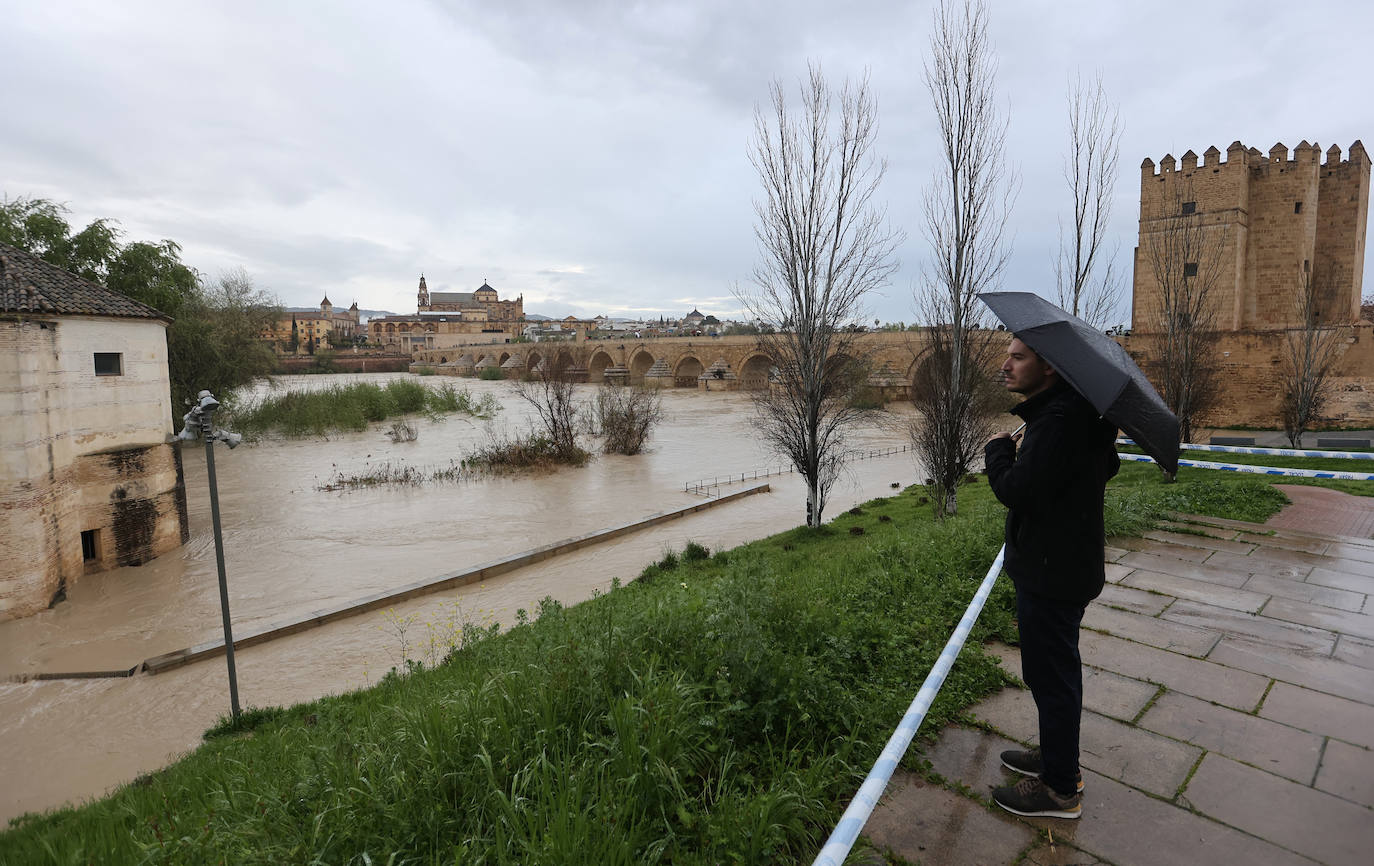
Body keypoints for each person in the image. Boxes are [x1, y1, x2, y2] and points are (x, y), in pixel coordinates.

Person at [983, 335, 1119, 819]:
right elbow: (1106, 468)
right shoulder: (1081, 416)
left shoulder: (1058, 422)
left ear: (1051, 368)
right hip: (1067, 566)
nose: (1005, 365)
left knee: (1053, 677)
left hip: (1051, 572)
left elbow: (1017, 491)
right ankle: (1056, 754)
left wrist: (998, 452)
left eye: (1018, 357)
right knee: (1052, 673)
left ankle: (1061, 789)